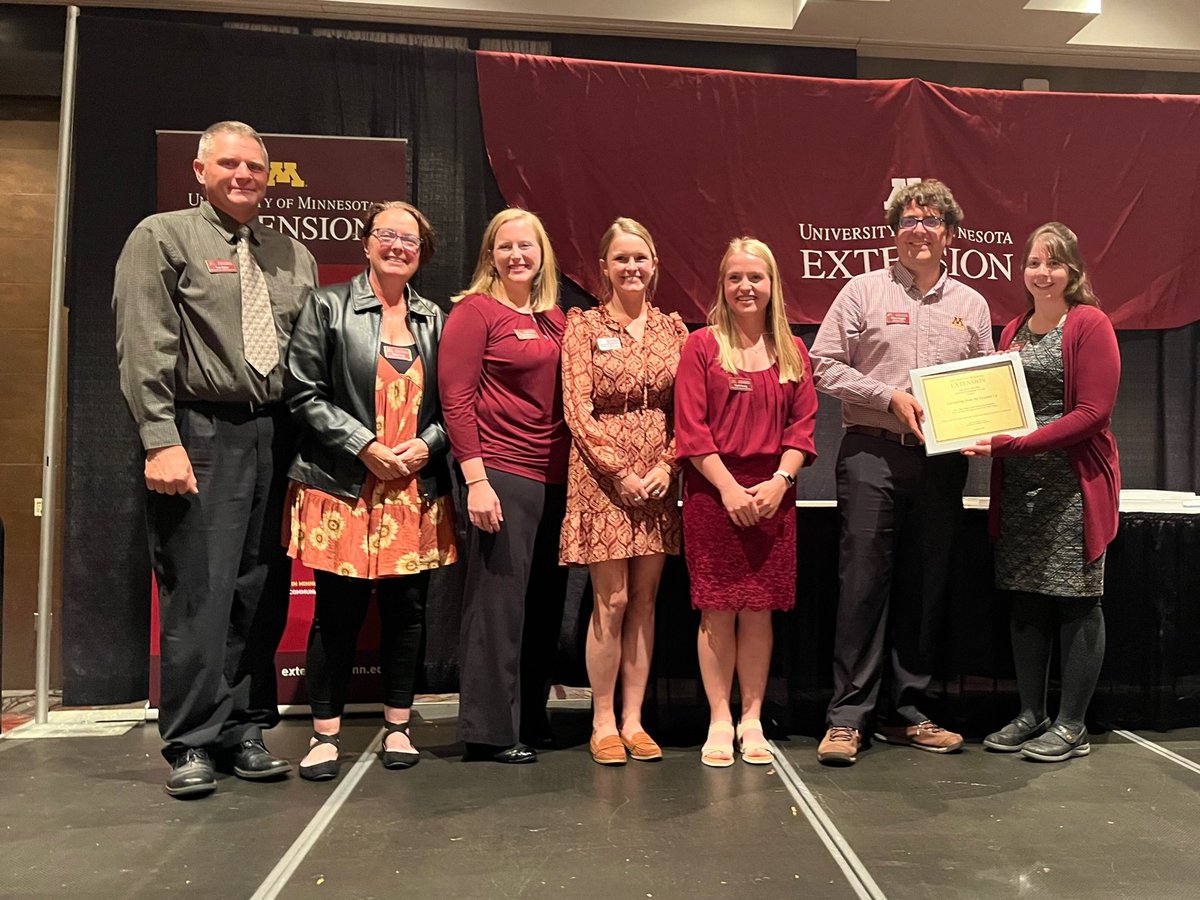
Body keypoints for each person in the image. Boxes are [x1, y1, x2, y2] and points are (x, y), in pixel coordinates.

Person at [113, 121, 319, 797]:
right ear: (199, 171)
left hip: (276, 433)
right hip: (198, 431)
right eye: (228, 164)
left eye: (255, 166)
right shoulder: (162, 236)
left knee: (258, 591)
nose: (243, 176)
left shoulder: (291, 253)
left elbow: (307, 355)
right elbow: (144, 344)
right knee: (199, 591)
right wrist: (159, 438)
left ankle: (245, 730)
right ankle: (191, 743)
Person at [810, 179, 993, 766]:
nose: (919, 228)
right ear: (893, 232)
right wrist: (888, 396)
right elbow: (822, 367)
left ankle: (907, 712)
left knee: (925, 585)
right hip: (872, 453)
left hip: (940, 464)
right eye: (909, 219)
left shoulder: (973, 306)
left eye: (931, 220)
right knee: (862, 584)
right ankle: (847, 718)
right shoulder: (860, 292)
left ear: (950, 234)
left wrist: (983, 425)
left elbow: (983, 384)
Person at [283, 201, 457, 781]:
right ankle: (325, 734)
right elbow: (303, 392)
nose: (397, 246)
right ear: (366, 244)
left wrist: (427, 445)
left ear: (421, 252)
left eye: (409, 239)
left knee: (408, 613)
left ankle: (399, 724)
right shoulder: (326, 306)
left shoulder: (435, 318)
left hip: (413, 488)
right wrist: (363, 445)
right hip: (343, 485)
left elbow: (454, 404)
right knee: (337, 613)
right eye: (386, 235)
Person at [963, 222, 1120, 763]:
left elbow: (1093, 413)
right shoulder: (1012, 331)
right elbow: (996, 403)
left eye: (1053, 263)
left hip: (1074, 486)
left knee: (1077, 601)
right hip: (1024, 488)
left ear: (1072, 271)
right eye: (1033, 262)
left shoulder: (1089, 323)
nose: (1041, 272)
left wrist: (1015, 444)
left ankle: (1072, 724)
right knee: (1027, 598)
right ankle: (1032, 713)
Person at [675, 237, 818, 767]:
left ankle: (752, 719)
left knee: (759, 613)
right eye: (735, 277)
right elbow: (691, 431)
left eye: (756, 277)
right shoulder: (701, 347)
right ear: (722, 285)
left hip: (773, 494)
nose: (746, 287)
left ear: (773, 284)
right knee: (716, 612)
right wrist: (728, 488)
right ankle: (718, 719)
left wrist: (780, 481)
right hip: (713, 493)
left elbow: (803, 429)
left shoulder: (793, 351)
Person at [440, 209, 570, 764]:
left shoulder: (556, 317)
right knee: (498, 605)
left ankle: (529, 715)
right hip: (501, 473)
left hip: (555, 476)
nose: (518, 256)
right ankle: (489, 730)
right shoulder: (476, 312)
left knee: (543, 604)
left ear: (543, 254)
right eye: (506, 246)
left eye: (528, 246)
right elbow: (456, 400)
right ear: (490, 254)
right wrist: (476, 479)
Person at [560, 218, 689, 766]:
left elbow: (694, 410)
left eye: (641, 258)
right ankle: (604, 720)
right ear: (604, 268)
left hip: (659, 477)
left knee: (644, 601)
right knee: (609, 603)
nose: (631, 267)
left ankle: (635, 720)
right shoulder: (583, 327)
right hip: (601, 479)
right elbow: (576, 408)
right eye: (621, 259)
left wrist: (668, 462)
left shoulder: (675, 331)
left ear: (654, 265)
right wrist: (620, 471)